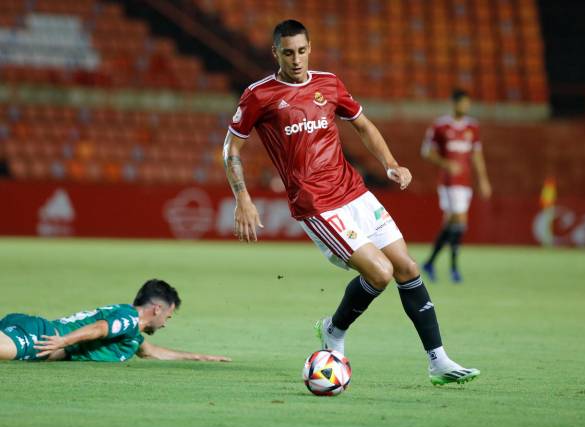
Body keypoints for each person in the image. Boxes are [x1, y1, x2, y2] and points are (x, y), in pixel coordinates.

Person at [223, 19, 479, 385]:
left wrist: (390, 164)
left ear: (310, 48)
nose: (296, 59)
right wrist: (242, 197)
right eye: (287, 52)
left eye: (301, 51)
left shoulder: (328, 83)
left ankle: (438, 361)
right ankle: (334, 330)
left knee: (406, 267)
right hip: (317, 204)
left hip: (354, 192)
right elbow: (232, 147)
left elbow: (363, 125)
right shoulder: (259, 95)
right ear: (275, 52)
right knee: (380, 273)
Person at [0, 279, 231, 363]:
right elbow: (100, 329)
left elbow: (150, 352)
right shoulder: (129, 318)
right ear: (157, 309)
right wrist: (63, 341)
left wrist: (200, 357)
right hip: (42, 336)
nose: (165, 324)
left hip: (36, 329)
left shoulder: (131, 333)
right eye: (167, 317)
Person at [420, 89, 492, 283]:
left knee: (452, 224)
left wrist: (483, 180)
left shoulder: (472, 127)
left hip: (465, 182)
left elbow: (477, 155)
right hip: (448, 182)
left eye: (468, 103)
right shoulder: (441, 125)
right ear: (454, 103)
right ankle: (453, 268)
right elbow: (426, 151)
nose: (466, 107)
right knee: (459, 221)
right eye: (463, 103)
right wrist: (446, 164)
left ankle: (430, 262)